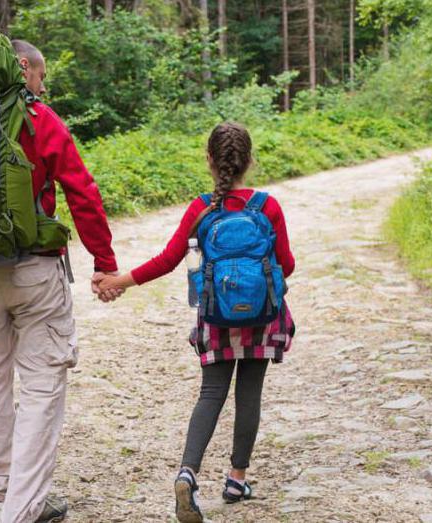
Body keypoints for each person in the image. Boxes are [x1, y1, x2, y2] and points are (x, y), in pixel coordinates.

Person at [0, 40, 122, 523]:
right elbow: (82, 190)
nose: (41, 86)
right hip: (35, 269)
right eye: (40, 77)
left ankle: (0, 485)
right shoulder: (38, 117)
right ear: (24, 70)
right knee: (41, 384)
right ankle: (22, 508)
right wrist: (103, 261)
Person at [96, 123, 295, 523]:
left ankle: (187, 472)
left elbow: (168, 260)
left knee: (211, 392)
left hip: (216, 317)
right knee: (249, 392)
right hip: (262, 317)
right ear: (249, 161)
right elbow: (287, 264)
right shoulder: (267, 206)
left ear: (209, 160)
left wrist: (119, 281)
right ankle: (237, 478)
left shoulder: (201, 208)